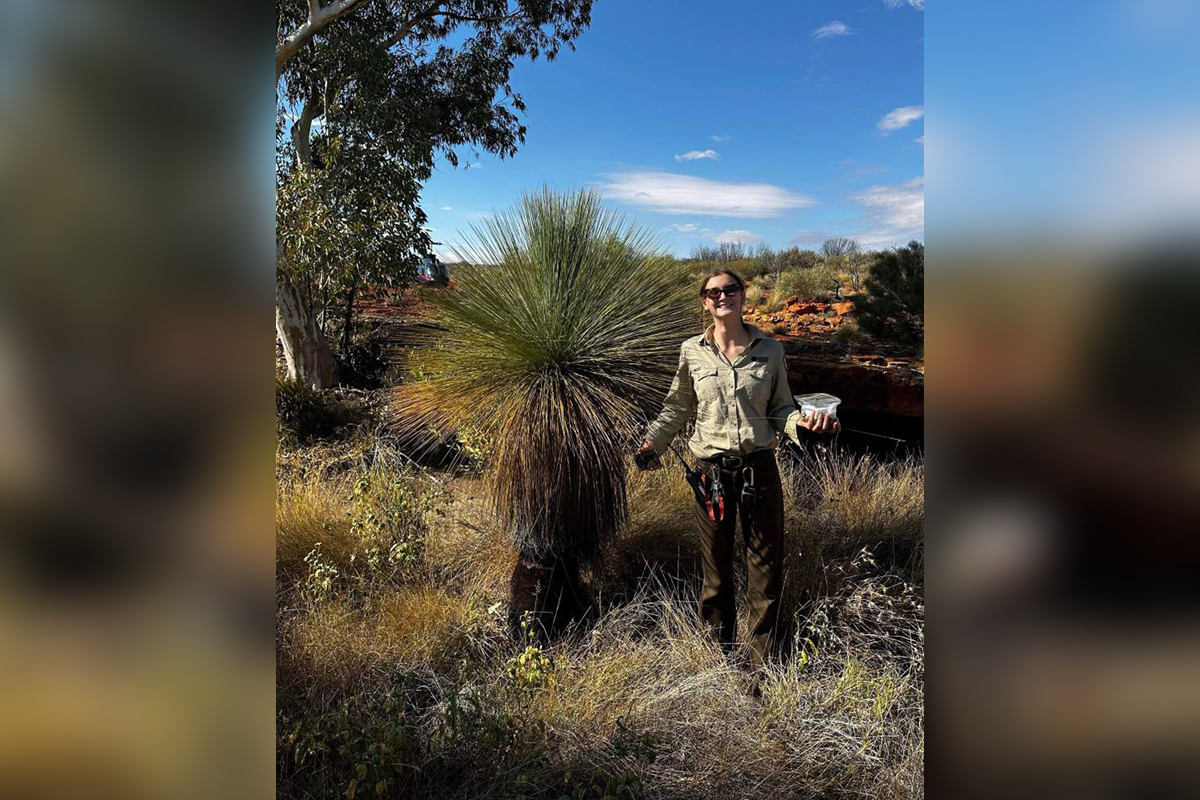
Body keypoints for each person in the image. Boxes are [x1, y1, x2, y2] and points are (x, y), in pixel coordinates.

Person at [637, 268, 838, 673]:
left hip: (758, 471)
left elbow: (780, 408)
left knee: (764, 571)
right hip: (710, 476)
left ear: (743, 296)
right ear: (704, 302)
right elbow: (677, 406)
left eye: (730, 289)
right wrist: (651, 444)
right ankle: (716, 657)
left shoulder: (770, 350)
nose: (722, 296)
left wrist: (805, 425)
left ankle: (759, 667)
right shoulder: (691, 351)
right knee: (716, 572)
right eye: (713, 292)